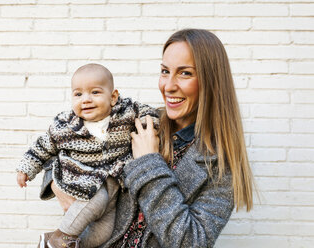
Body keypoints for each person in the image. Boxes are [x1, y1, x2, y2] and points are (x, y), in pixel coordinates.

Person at [97, 28, 254, 247]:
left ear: (211, 81)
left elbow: (191, 241)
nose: (168, 86)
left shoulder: (221, 165)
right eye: (164, 71)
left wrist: (148, 163)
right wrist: (59, 186)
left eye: (185, 73)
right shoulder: (142, 123)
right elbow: (72, 140)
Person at [16, 63, 159, 248]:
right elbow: (43, 145)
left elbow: (148, 113)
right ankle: (62, 237)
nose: (86, 99)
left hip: (114, 187)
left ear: (113, 97)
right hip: (83, 180)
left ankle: (53, 241)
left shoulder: (126, 112)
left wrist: (151, 126)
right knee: (96, 200)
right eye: (78, 94)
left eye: (95, 92)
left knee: (104, 233)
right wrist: (26, 168)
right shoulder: (65, 125)